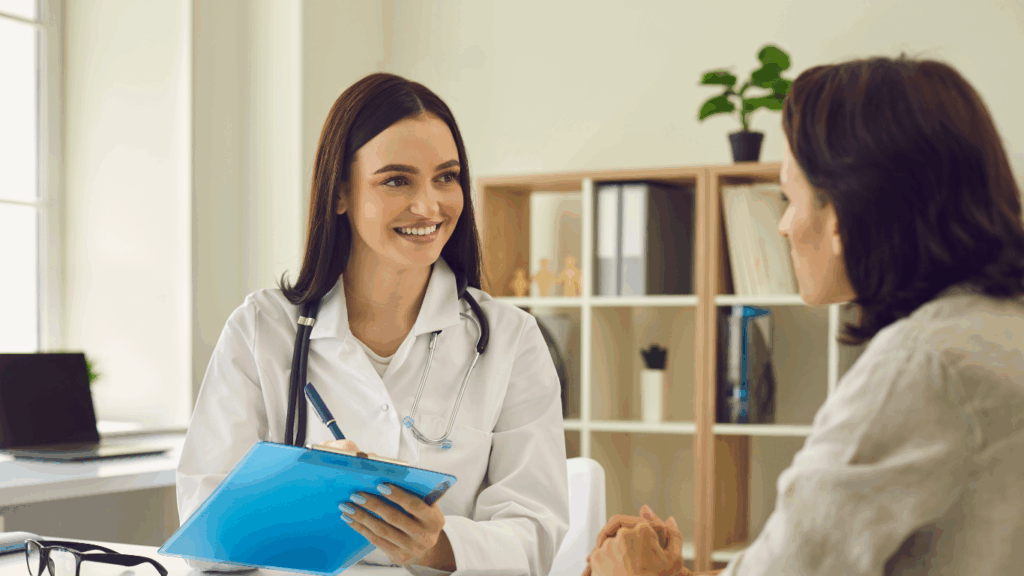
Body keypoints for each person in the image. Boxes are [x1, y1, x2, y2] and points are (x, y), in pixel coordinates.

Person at [587, 54, 1024, 575]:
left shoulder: (921, 368)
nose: (783, 227)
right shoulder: (996, 332)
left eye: (788, 197)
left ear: (839, 215)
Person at [176, 72, 569, 575]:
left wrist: (435, 547)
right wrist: (299, 495)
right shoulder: (261, 329)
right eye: (397, 180)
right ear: (339, 193)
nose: (429, 205)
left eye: (446, 177)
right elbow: (202, 545)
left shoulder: (511, 340)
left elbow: (536, 534)